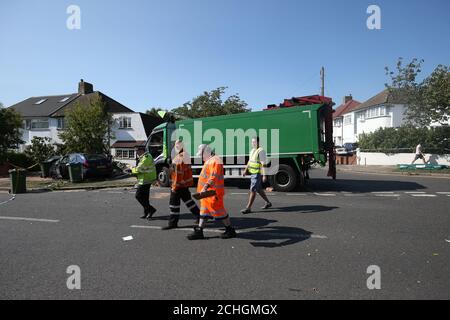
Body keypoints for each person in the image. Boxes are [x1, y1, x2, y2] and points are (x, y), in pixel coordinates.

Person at [187, 144, 236, 240]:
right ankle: (199, 231)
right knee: (204, 212)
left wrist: (205, 187)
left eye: (201, 155)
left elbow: (213, 176)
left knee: (220, 212)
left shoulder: (215, 161)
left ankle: (230, 230)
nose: (201, 157)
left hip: (213, 194)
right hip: (207, 194)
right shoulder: (210, 160)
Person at [163, 139, 200, 230]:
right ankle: (200, 216)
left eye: (176, 146)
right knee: (189, 202)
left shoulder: (179, 158)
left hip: (178, 185)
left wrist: (174, 187)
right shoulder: (185, 155)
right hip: (184, 184)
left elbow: (177, 175)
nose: (175, 147)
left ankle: (173, 223)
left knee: (174, 204)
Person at [241, 136, 272, 214]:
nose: (253, 143)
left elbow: (263, 164)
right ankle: (268, 203)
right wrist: (245, 170)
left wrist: (264, 175)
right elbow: (250, 161)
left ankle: (248, 208)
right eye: (252, 142)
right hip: (252, 173)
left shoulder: (261, 151)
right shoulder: (252, 150)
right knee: (259, 189)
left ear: (258, 142)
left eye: (255, 142)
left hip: (257, 173)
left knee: (253, 190)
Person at [132, 151, 157, 220]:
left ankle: (151, 209)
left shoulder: (146, 157)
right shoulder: (144, 157)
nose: (136, 152)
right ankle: (147, 212)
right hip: (145, 179)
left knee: (138, 196)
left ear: (142, 150)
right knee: (145, 197)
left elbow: (139, 169)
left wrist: (131, 169)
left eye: (137, 150)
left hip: (146, 180)